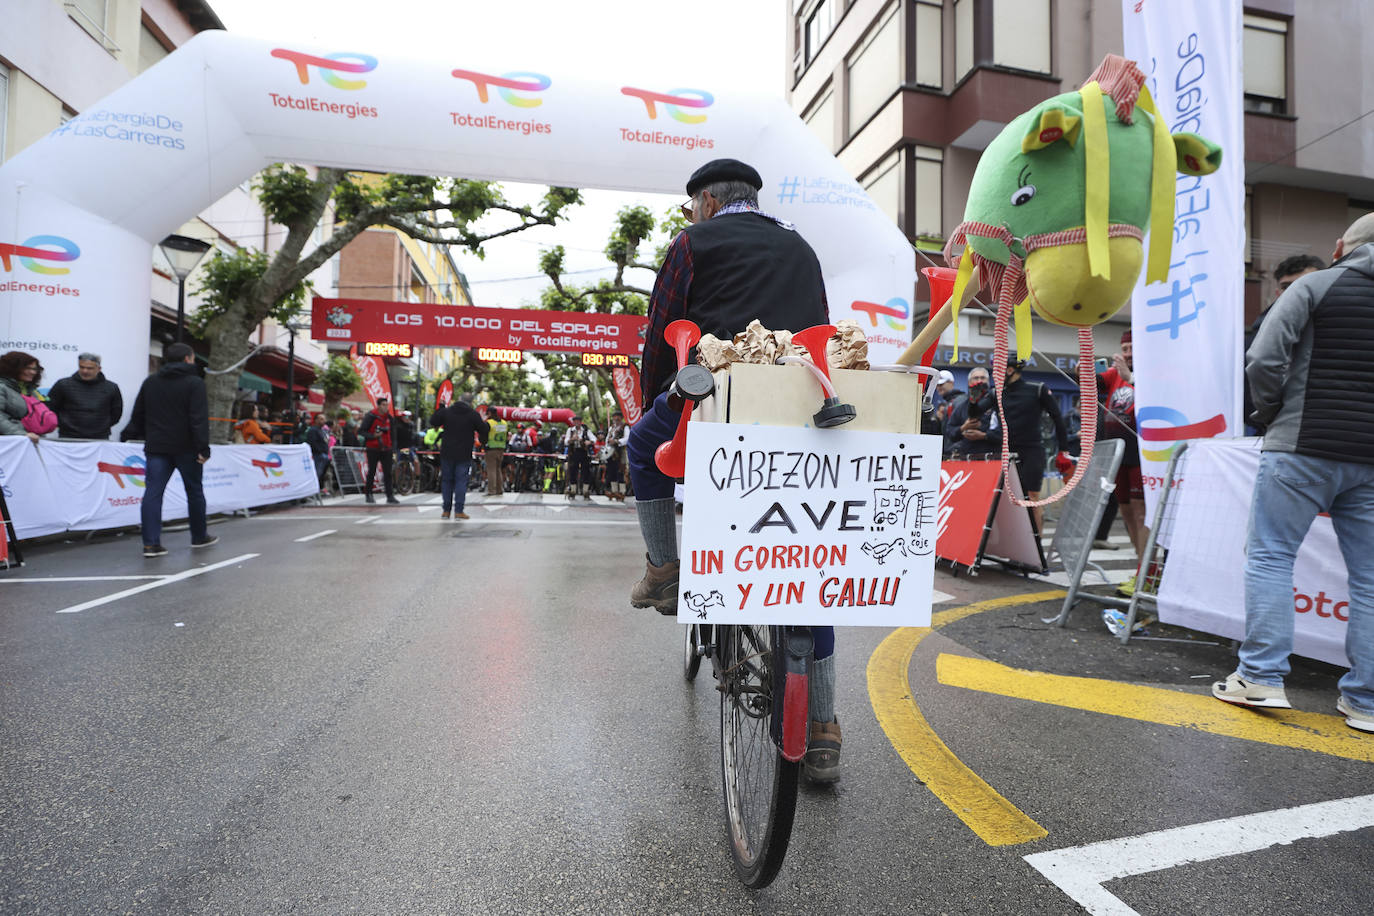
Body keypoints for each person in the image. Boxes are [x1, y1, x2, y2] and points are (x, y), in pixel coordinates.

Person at [626, 158, 841, 783]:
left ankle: (664, 571)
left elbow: (663, 334)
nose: (693, 215)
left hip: (711, 406)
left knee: (644, 450)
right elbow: (821, 332)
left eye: (695, 206)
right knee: (809, 562)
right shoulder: (801, 247)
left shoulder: (693, 243)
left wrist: (651, 406)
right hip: (798, 412)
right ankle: (824, 729)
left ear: (710, 203)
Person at [1213, 212, 1374, 734]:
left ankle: (1260, 676)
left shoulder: (1316, 287)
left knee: (1272, 557)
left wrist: (1269, 412)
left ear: (1338, 247)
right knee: (1371, 580)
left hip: (1301, 445)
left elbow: (1262, 357)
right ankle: (1367, 700)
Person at [122, 342, 216, 557]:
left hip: (157, 446)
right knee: (194, 491)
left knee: (153, 493)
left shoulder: (151, 382)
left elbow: (139, 413)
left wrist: (129, 435)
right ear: (188, 359)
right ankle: (199, 536)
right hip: (187, 447)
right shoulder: (195, 383)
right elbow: (198, 418)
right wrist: (203, 447)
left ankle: (150, 543)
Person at [968, 356, 1074, 529]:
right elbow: (974, 415)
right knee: (1006, 501)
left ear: (1010, 370)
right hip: (1007, 452)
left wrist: (1063, 450)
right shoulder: (997, 392)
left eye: (998, 371)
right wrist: (973, 400)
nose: (995, 375)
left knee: (1032, 498)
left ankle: (1036, 548)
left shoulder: (1037, 389)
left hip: (1032, 451)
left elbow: (1057, 418)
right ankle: (1016, 546)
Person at [1243, 254, 1326, 435]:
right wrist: (1270, 416)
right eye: (1287, 287)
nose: (1297, 292)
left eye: (1305, 284)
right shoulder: (1259, 332)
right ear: (1278, 293)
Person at [1097, 330, 1146, 560]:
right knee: (1126, 509)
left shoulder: (1152, 369)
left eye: (1132, 348)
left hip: (1142, 452)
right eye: (1124, 349)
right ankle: (1141, 564)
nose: (1128, 354)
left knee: (1140, 510)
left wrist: (1131, 378)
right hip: (1118, 451)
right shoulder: (1114, 373)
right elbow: (1093, 381)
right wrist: (1082, 371)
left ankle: (1148, 570)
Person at [430, 392, 488, 518]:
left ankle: (446, 510)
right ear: (471, 402)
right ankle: (459, 511)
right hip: (464, 453)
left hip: (447, 452)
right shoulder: (473, 414)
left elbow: (433, 421)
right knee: (461, 482)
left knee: (446, 481)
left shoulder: (447, 411)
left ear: (459, 399)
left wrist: (440, 408)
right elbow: (483, 430)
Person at [46, 352, 122, 440]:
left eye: (89, 368)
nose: (85, 371)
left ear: (99, 369)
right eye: (82, 367)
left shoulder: (111, 387)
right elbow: (51, 408)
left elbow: (116, 413)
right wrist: (64, 425)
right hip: (68, 436)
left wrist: (102, 426)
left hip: (99, 438)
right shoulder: (63, 384)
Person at [943, 366, 1000, 459]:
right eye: (976, 378)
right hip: (968, 457)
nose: (980, 381)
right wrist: (963, 428)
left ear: (988, 382)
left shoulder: (997, 403)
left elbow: (1007, 432)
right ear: (969, 382)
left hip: (993, 456)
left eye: (983, 378)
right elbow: (950, 431)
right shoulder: (961, 406)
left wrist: (984, 435)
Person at [358, 397, 400, 504]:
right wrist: (373, 436)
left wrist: (393, 447)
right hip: (373, 447)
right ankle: (369, 494)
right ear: (379, 405)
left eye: (387, 405)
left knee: (388, 473)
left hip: (387, 448)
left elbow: (393, 434)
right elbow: (361, 431)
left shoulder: (389, 418)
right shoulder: (371, 416)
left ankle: (390, 496)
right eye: (383, 405)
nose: (386, 407)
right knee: (372, 471)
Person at [0, 351, 43, 443]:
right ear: (13, 369)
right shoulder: (2, 387)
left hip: (28, 441)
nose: (32, 372)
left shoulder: (31, 391)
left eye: (34, 369)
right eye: (27, 368)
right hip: (7, 444)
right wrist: (21, 434)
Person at [563, 414, 594, 500]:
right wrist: (572, 439)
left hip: (584, 452)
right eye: (575, 421)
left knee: (586, 471)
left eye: (578, 421)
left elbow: (594, 439)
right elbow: (566, 442)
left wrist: (588, 442)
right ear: (573, 422)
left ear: (580, 422)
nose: (577, 423)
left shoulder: (586, 430)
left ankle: (585, 491)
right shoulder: (570, 430)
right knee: (573, 471)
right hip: (574, 452)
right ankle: (573, 491)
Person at [603, 412, 628, 501]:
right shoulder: (611, 428)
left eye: (617, 418)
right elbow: (607, 439)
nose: (616, 419)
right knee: (611, 472)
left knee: (620, 471)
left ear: (621, 418)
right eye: (614, 418)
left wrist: (617, 441)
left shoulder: (625, 426)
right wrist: (608, 444)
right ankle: (614, 491)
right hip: (611, 453)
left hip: (620, 452)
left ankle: (622, 492)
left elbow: (627, 439)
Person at [305, 412, 332, 492]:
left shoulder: (322, 430)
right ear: (316, 420)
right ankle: (311, 490)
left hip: (324, 455)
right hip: (318, 455)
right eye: (321, 419)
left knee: (322, 474)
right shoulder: (313, 430)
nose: (323, 421)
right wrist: (320, 451)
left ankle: (318, 489)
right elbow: (313, 442)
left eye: (324, 419)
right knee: (317, 473)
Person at [483, 407, 508, 496]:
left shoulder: (489, 423)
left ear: (489, 413)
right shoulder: (504, 423)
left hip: (491, 448)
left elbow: (483, 435)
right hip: (501, 448)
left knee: (491, 470)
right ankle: (499, 490)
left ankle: (491, 490)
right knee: (498, 469)